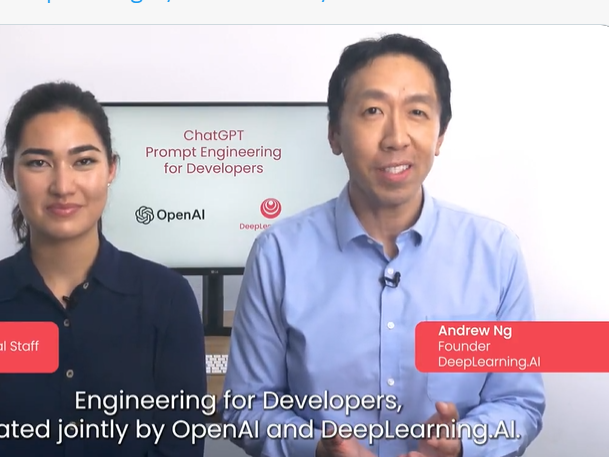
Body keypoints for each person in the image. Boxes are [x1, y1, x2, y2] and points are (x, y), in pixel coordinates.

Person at [221, 34, 545, 457]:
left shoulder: (495, 254)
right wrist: (316, 447)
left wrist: (464, 443)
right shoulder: (278, 254)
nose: (396, 137)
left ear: (440, 135)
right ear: (334, 134)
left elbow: (519, 403)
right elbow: (245, 406)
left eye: (417, 112)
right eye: (373, 111)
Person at [0, 82, 207, 457]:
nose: (62, 186)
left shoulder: (169, 300)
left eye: (83, 161)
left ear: (111, 168)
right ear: (10, 173)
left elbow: (179, 446)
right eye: (38, 163)